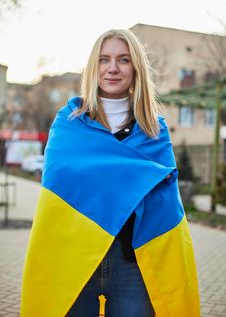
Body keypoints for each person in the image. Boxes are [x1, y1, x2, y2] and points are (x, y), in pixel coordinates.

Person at [20, 29, 200, 317]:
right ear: (94, 67)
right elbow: (59, 182)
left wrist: (118, 176)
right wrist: (138, 176)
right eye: (104, 59)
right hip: (74, 257)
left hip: (132, 261)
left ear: (136, 68)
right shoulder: (69, 124)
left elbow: (164, 200)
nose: (112, 68)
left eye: (123, 60)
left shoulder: (155, 128)